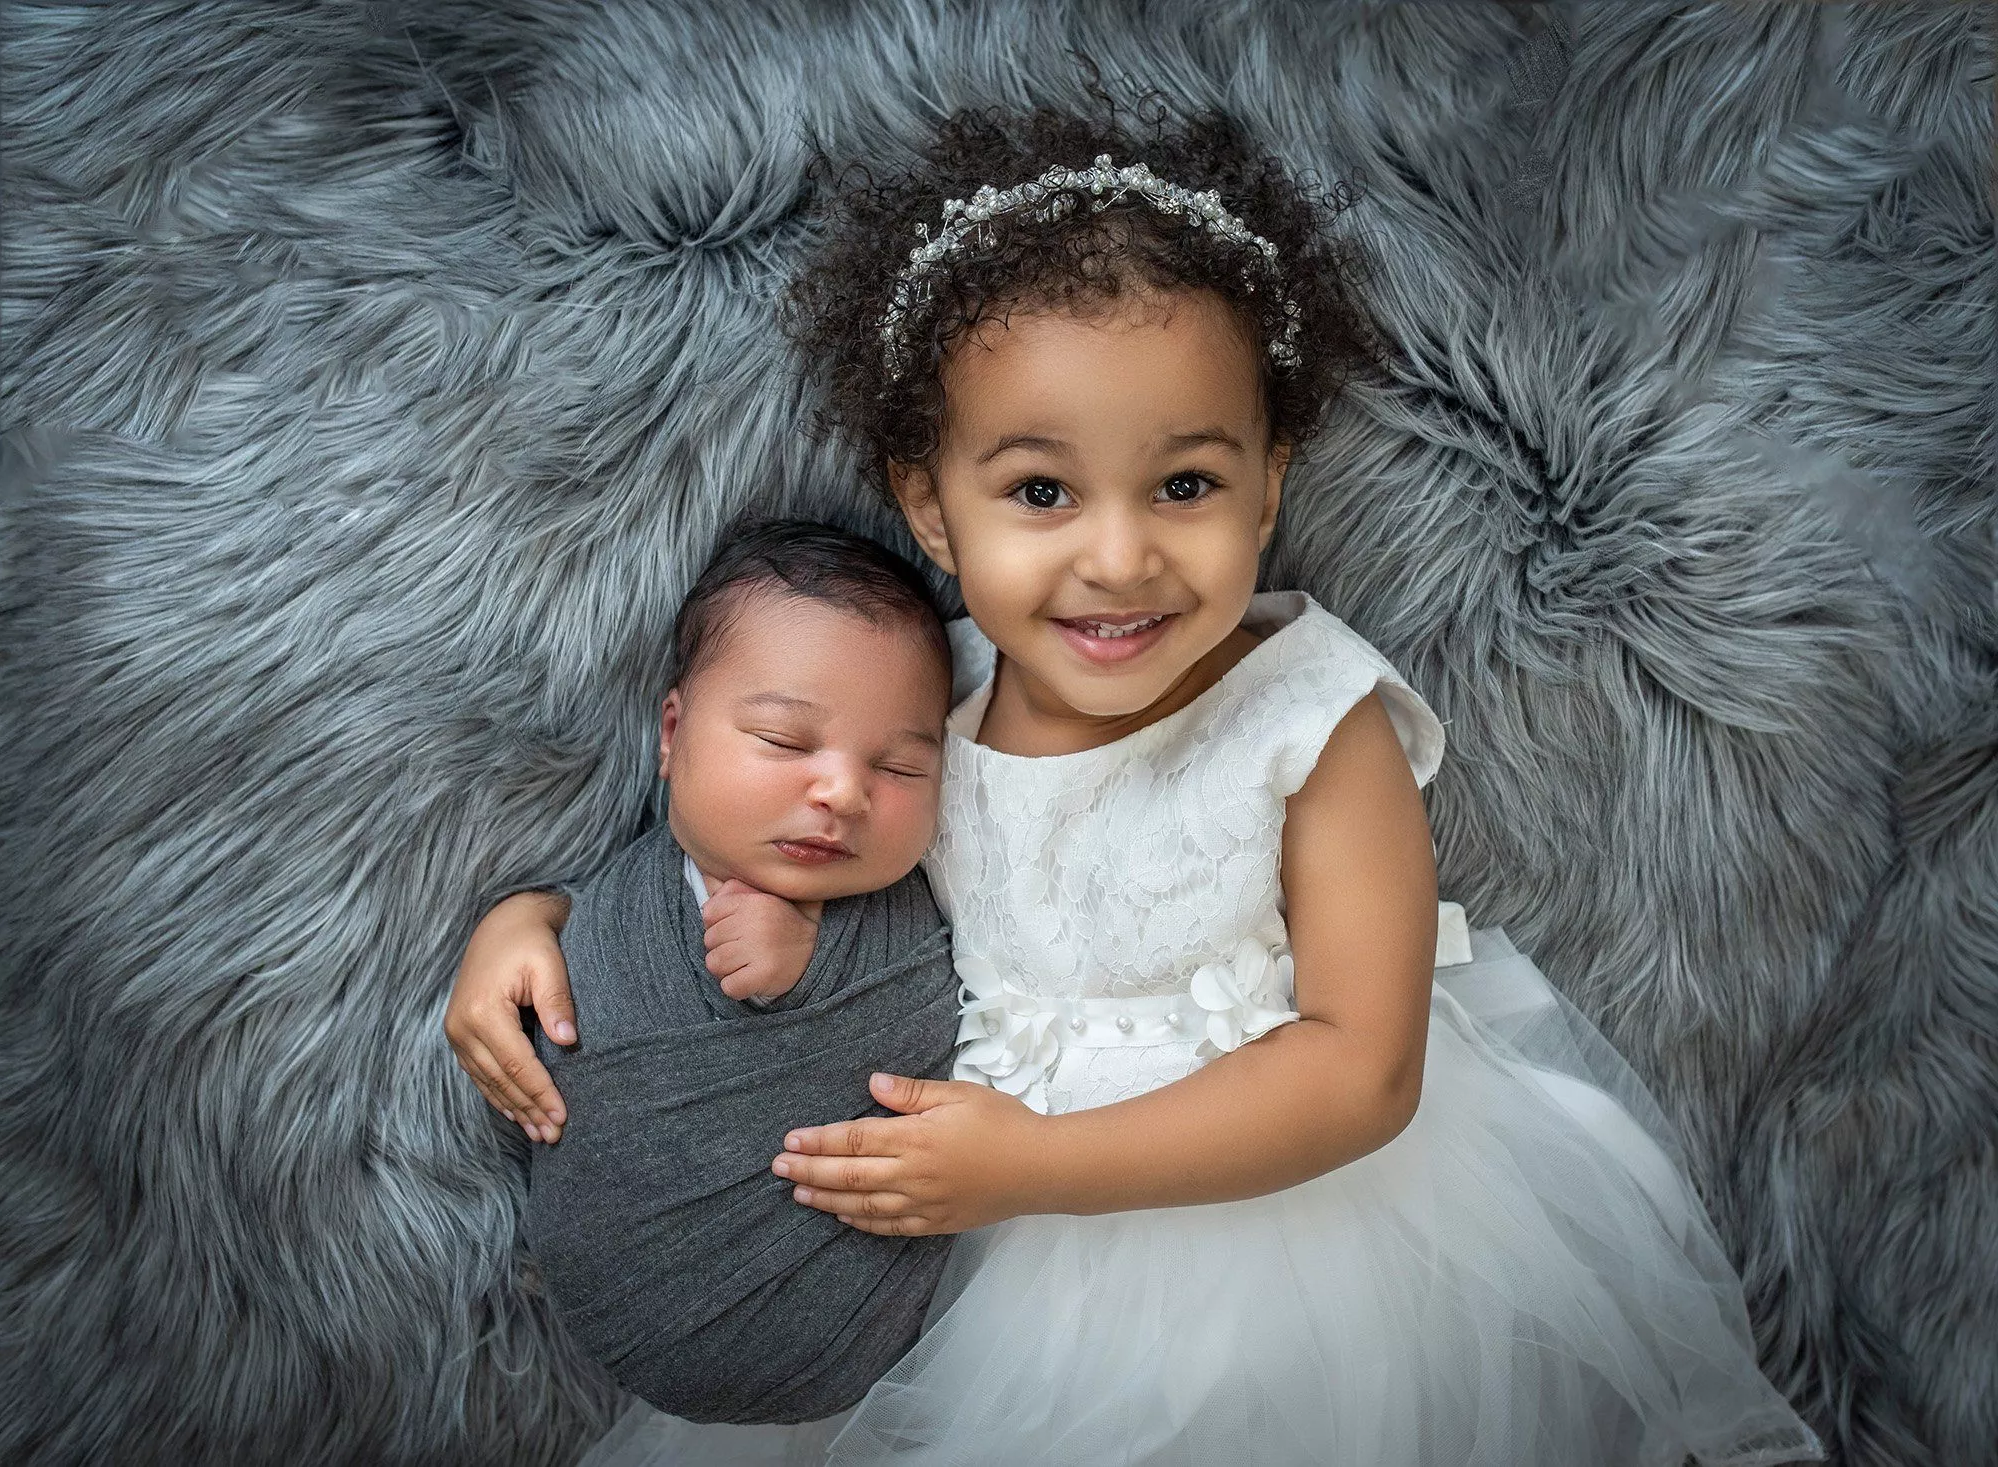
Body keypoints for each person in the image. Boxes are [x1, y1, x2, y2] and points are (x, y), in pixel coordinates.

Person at [448, 99, 1826, 1465]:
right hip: (950, 1254)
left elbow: (1365, 1066)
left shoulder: (1309, 716)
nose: (1117, 557)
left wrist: (1032, 1165)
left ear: (1270, 484)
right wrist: (535, 919)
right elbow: (773, 848)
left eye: (1184, 485)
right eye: (1041, 493)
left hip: (1263, 1239)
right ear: (930, 504)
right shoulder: (924, 696)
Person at [512, 519, 962, 1427]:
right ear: (672, 732)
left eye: (900, 764)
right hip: (615, 1301)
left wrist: (818, 966)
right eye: (785, 742)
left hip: (864, 1327)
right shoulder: (614, 899)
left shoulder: (924, 909)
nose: (842, 791)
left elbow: (956, 1024)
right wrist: (520, 915)